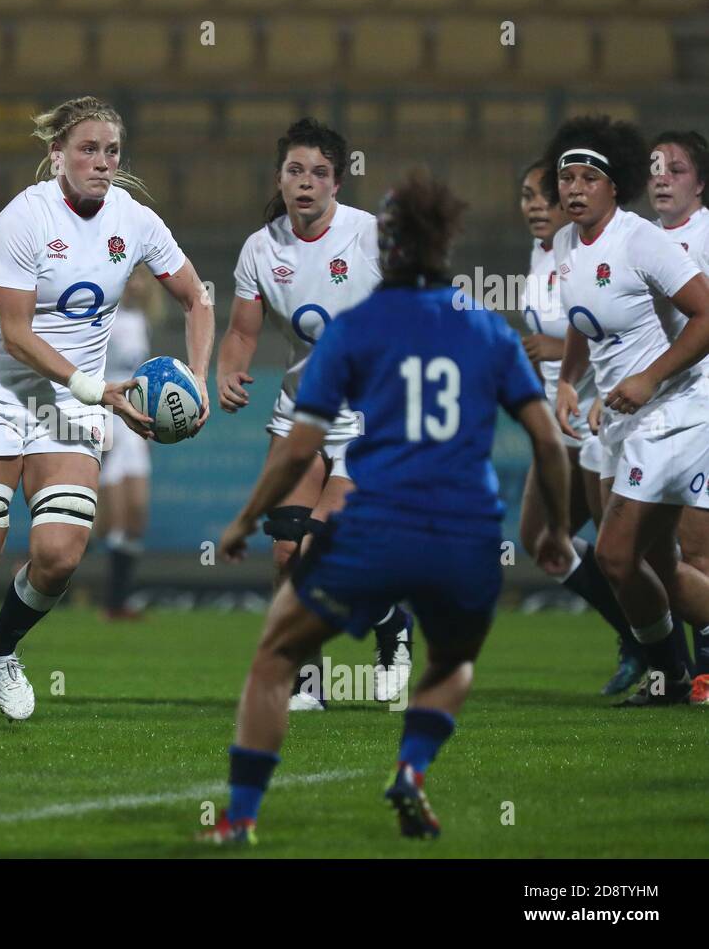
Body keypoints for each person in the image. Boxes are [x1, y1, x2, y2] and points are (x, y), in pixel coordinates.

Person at [200, 170, 573, 845]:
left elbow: (295, 451)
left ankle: (242, 817)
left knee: (274, 658)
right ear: (446, 245)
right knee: (452, 662)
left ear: (387, 246)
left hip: (377, 526)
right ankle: (412, 764)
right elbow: (547, 440)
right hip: (468, 537)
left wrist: (244, 519)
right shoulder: (485, 327)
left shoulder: (356, 329)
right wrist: (555, 534)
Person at [0, 96, 214, 735]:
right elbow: (18, 334)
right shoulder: (23, 219)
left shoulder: (135, 221)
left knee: (58, 554)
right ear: (57, 154)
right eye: (88, 148)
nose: (102, 162)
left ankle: (2, 649)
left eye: (111, 151)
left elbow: (196, 297)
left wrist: (198, 374)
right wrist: (99, 390)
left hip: (71, 402)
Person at [217, 118, 410, 709]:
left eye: (319, 172)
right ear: (280, 177)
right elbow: (242, 333)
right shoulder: (261, 247)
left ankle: (391, 626)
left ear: (338, 183)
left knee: (318, 551)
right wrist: (227, 370)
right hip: (300, 416)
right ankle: (309, 681)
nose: (306, 182)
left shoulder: (373, 239)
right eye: (295, 170)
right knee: (285, 550)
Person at [551, 116, 709, 707]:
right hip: (620, 416)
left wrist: (648, 378)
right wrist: (571, 382)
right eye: (566, 177)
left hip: (672, 411)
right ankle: (670, 677)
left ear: (613, 187)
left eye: (587, 177)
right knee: (653, 567)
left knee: (617, 554)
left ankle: (667, 671)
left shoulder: (642, 239)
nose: (573, 188)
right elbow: (583, 321)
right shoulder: (569, 243)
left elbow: (705, 316)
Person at [515, 159, 646, 695]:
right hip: (557, 418)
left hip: (599, 416)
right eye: (527, 195)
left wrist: (558, 354)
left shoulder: (591, 247)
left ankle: (665, 655)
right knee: (543, 542)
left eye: (544, 195)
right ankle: (636, 638)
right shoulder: (545, 252)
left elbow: (613, 329)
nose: (535, 205)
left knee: (622, 549)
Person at [648, 129, 709, 696]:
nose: (662, 176)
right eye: (655, 167)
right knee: (648, 552)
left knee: (694, 548)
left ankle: (700, 674)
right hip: (657, 412)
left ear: (701, 182)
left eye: (677, 168)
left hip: (703, 408)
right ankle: (673, 669)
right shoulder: (642, 240)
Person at [96, 265, 160, 619]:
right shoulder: (102, 316)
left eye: (142, 278)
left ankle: (119, 599)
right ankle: (30, 568)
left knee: (136, 514)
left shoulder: (141, 319)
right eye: (131, 277)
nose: (137, 284)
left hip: (133, 416)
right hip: (105, 411)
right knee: (107, 520)